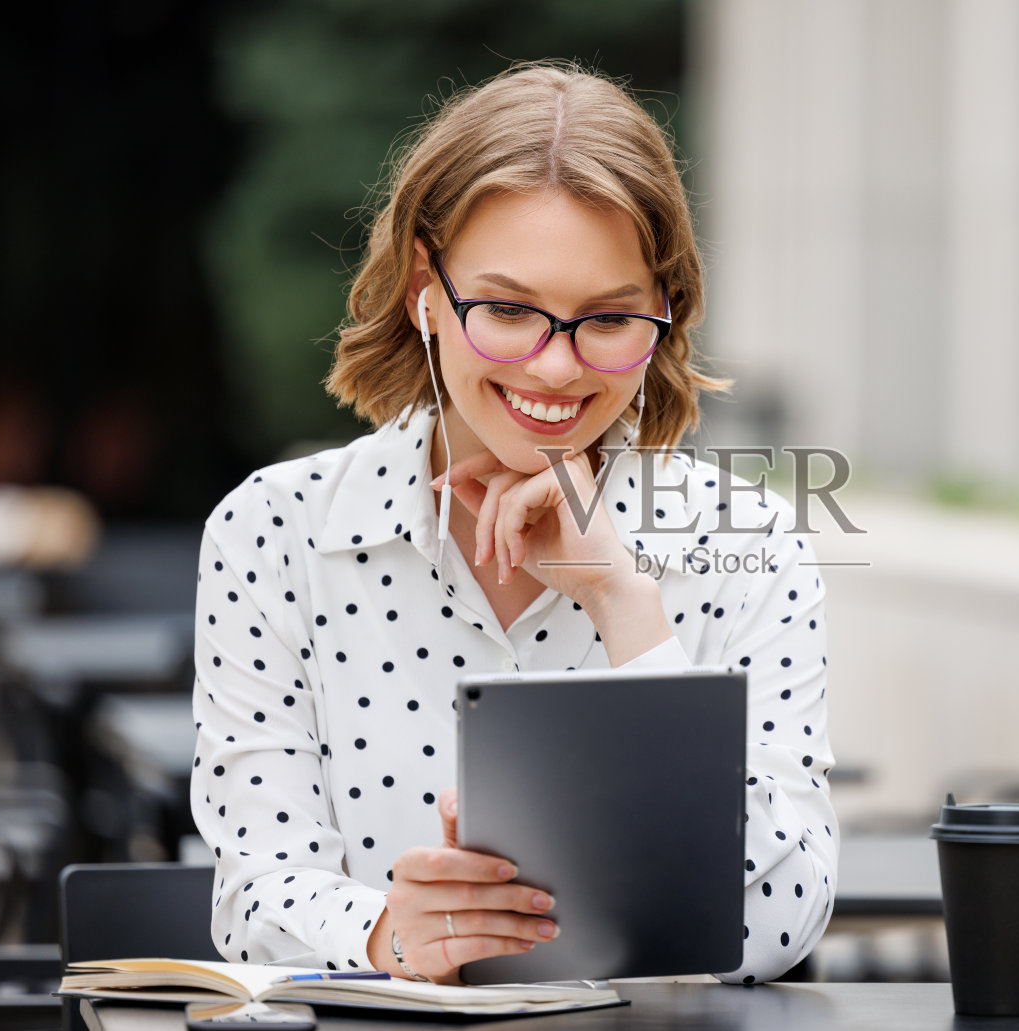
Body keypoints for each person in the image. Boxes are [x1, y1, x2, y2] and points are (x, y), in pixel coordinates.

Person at [190, 61, 837, 987]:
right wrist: (392, 931)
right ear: (424, 288)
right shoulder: (273, 531)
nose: (556, 368)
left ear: (664, 311)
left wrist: (628, 610)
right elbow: (255, 898)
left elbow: (782, 918)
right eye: (506, 309)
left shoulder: (752, 545)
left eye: (608, 318)